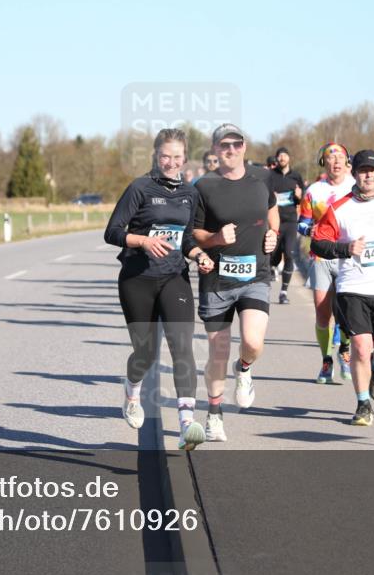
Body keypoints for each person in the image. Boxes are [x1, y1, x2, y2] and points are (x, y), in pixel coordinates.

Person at [104, 128, 216, 450]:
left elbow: (187, 238)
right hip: (137, 278)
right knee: (146, 354)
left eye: (177, 157)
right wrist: (143, 241)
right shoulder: (140, 188)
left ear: (185, 157)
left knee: (182, 347)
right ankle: (132, 391)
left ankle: (186, 425)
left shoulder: (190, 193)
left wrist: (200, 256)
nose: (171, 162)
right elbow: (112, 232)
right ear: (156, 155)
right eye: (165, 156)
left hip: (173, 277)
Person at [312, 149, 374, 426]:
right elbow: (318, 243)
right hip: (353, 287)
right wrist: (346, 249)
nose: (368, 175)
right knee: (360, 345)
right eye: (362, 171)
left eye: (372, 170)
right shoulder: (339, 208)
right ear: (354, 174)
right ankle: (363, 404)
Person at [192, 124, 278, 442]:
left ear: (244, 146)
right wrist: (215, 238)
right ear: (215, 149)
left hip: (255, 276)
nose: (231, 149)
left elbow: (272, 211)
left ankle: (243, 368)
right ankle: (214, 414)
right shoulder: (203, 187)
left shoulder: (261, 182)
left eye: (236, 143)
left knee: (253, 342)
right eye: (224, 144)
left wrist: (273, 234)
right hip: (217, 280)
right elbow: (193, 233)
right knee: (218, 352)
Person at [298, 142, 356, 383]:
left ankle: (344, 350)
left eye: (341, 157)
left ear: (347, 162)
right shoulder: (314, 191)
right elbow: (302, 223)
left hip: (348, 258)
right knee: (323, 314)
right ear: (324, 163)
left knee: (348, 312)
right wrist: (311, 230)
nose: (336, 161)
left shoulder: (356, 188)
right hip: (321, 258)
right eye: (330, 158)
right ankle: (326, 360)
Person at [268, 146, 305, 304]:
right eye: (280, 155)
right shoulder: (271, 175)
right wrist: (271, 196)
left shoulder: (296, 176)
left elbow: (302, 198)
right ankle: (272, 268)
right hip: (274, 221)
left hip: (290, 220)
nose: (282, 158)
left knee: (289, 253)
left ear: (289, 158)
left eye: (285, 155)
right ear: (277, 158)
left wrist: (299, 196)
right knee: (273, 255)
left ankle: (283, 292)